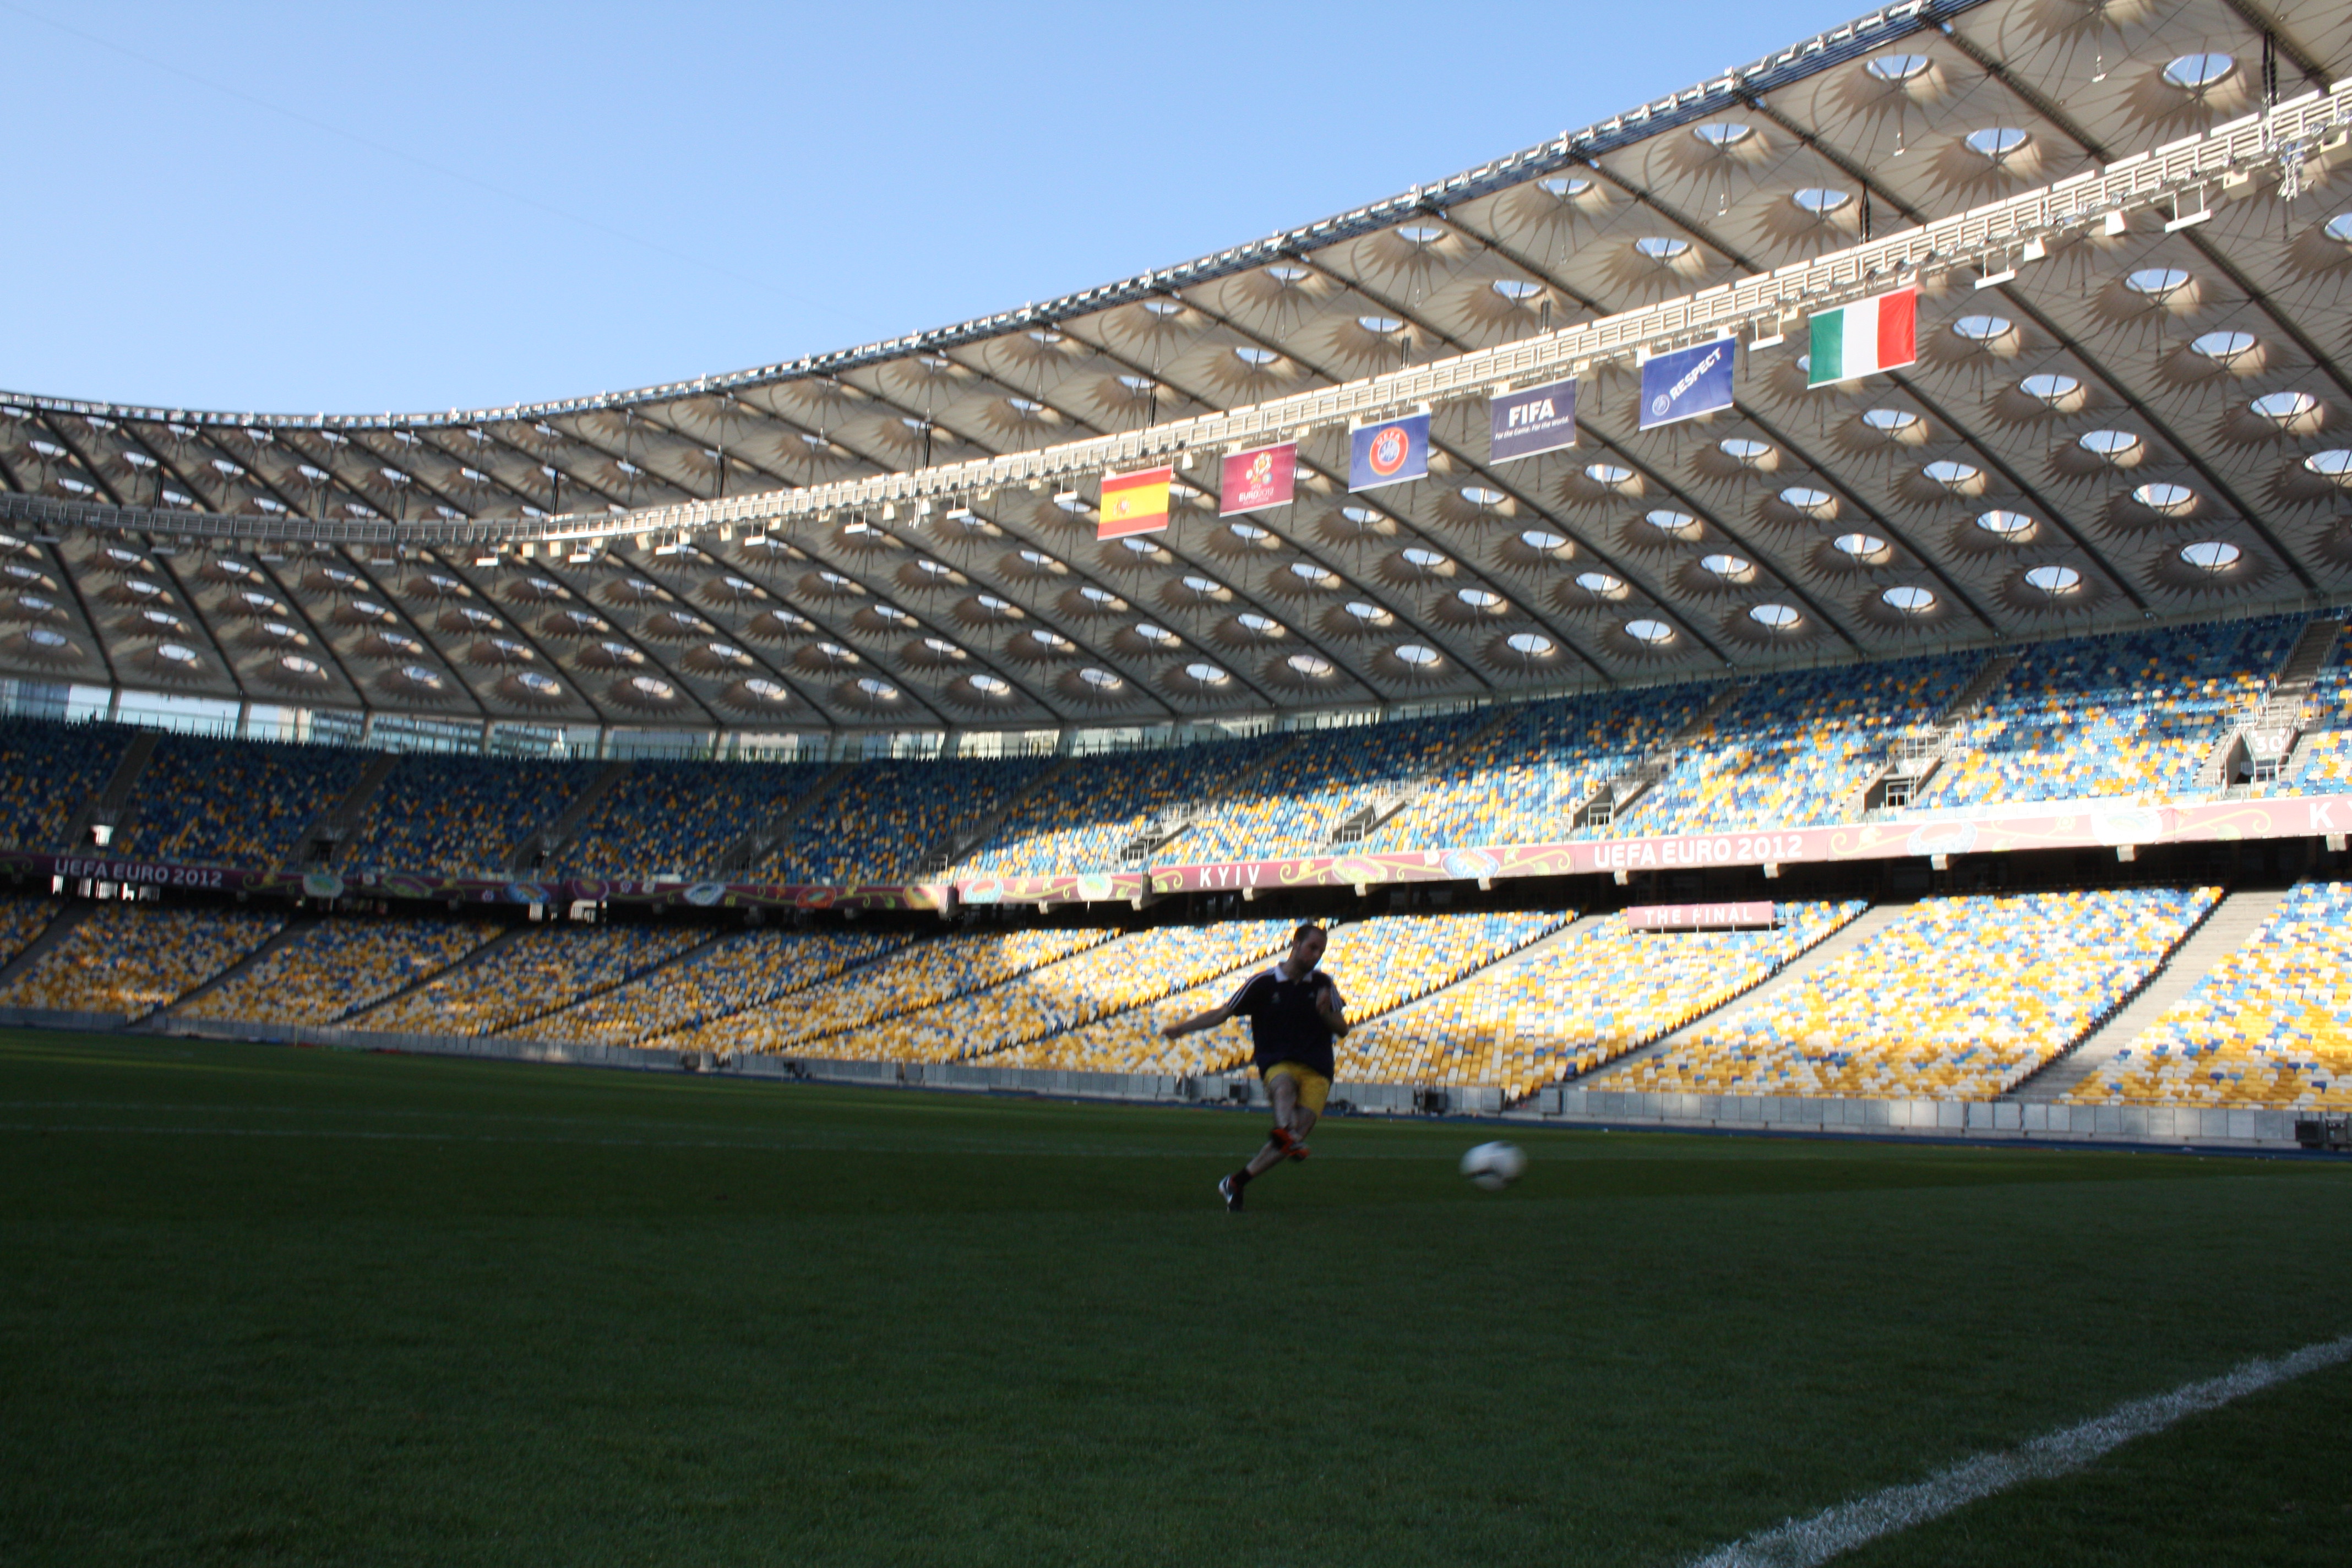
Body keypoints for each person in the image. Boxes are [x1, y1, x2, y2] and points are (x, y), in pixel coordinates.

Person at [1162, 921, 1348, 1211]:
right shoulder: (1263, 984)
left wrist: (1325, 1013)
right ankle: (1287, 1130)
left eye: (1321, 951)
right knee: (1283, 1087)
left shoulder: (1324, 984)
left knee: (1293, 1138)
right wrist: (1183, 1028)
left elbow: (1343, 1029)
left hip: (1318, 1067)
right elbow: (1223, 1013)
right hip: (1278, 1061)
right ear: (1296, 945)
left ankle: (1235, 1182)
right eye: (1312, 948)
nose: (1316, 955)